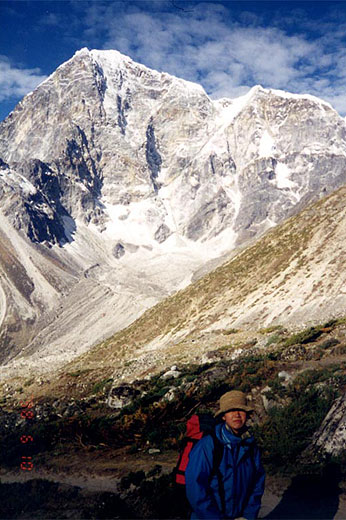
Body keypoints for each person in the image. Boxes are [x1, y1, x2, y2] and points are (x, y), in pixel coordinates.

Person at [185, 390, 265, 519]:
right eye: (231, 410)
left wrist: (248, 516)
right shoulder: (207, 446)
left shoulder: (250, 446)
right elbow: (196, 488)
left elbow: (257, 483)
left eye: (241, 410)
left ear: (247, 415)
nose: (236, 415)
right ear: (223, 416)